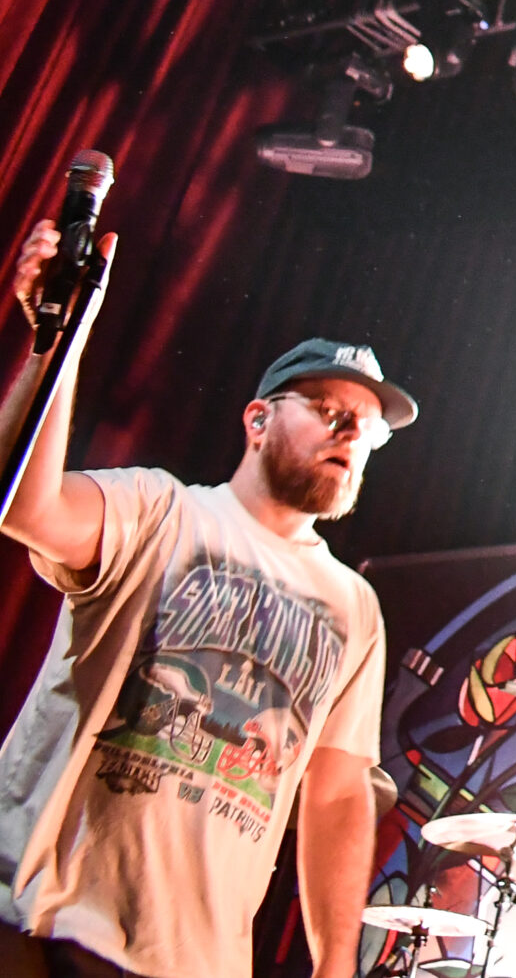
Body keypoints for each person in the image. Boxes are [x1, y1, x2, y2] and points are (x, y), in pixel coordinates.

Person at [0, 220, 410, 978]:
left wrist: (334, 964)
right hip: (41, 926)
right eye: (330, 410)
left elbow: (335, 792)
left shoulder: (353, 606)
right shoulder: (160, 509)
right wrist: (56, 344)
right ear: (258, 419)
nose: (352, 433)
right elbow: (28, 506)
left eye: (369, 429)